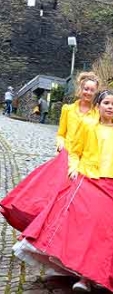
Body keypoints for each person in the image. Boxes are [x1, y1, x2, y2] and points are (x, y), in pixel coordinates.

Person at [12, 89, 113, 293]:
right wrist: (73, 169)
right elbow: (74, 150)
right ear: (98, 106)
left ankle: (96, 274)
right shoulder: (87, 125)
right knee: (83, 229)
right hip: (90, 178)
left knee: (107, 233)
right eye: (106, 103)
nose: (110, 107)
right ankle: (82, 275)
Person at [0, 71, 100, 232]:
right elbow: (61, 133)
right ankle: (45, 226)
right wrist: (61, 144)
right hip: (67, 155)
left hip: (86, 158)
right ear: (80, 89)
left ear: (96, 92)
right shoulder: (68, 109)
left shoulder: (98, 113)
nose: (88, 92)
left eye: (91, 90)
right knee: (53, 193)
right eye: (85, 89)